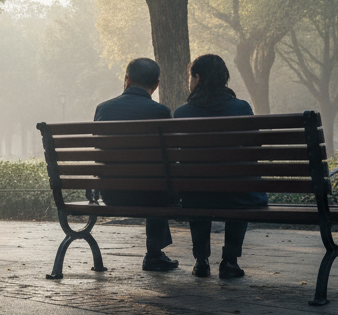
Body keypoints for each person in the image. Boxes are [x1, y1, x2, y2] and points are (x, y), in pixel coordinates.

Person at [173, 54, 267, 279]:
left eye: (190, 76)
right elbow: (254, 150)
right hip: (238, 196)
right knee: (240, 185)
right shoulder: (241, 107)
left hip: (197, 197)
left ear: (197, 77)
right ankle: (230, 261)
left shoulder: (182, 113)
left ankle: (201, 260)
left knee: (197, 187)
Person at [93, 58, 178, 272]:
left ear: (127, 79)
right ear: (156, 85)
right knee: (158, 184)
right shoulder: (161, 112)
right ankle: (154, 254)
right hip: (152, 196)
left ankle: (155, 254)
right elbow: (169, 160)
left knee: (155, 183)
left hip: (112, 194)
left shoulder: (103, 109)